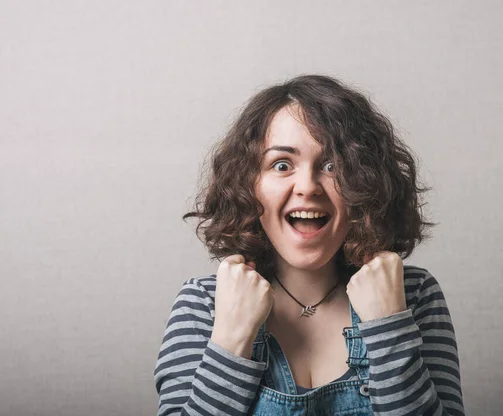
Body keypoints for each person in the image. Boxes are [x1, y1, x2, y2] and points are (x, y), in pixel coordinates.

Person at [154, 74, 465, 415]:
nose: (308, 187)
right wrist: (231, 337)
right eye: (282, 165)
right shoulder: (203, 305)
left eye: (332, 166)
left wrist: (389, 326)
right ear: (249, 185)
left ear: (365, 183)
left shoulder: (413, 295)